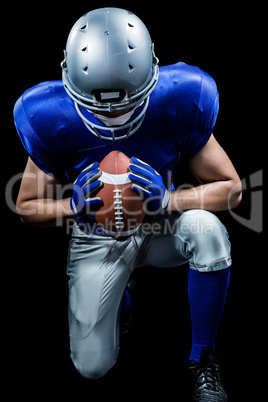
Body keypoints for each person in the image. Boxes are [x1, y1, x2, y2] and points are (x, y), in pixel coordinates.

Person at [14, 7, 242, 400]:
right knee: (92, 367)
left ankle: (202, 358)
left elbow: (232, 188)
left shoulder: (180, 96)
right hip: (96, 236)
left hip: (160, 226)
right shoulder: (49, 115)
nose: (113, 114)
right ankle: (123, 297)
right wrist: (73, 206)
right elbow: (26, 206)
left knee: (210, 233)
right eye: (99, 106)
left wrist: (169, 199)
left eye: (124, 103)